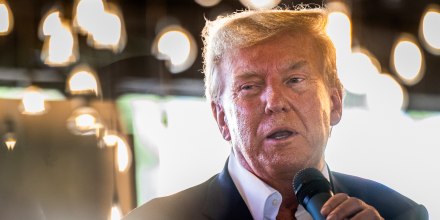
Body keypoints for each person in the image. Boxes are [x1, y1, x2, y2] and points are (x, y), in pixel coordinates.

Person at [123, 6, 428, 220]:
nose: (275, 101)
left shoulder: (399, 213)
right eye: (249, 86)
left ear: (335, 102)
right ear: (222, 119)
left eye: (295, 80)